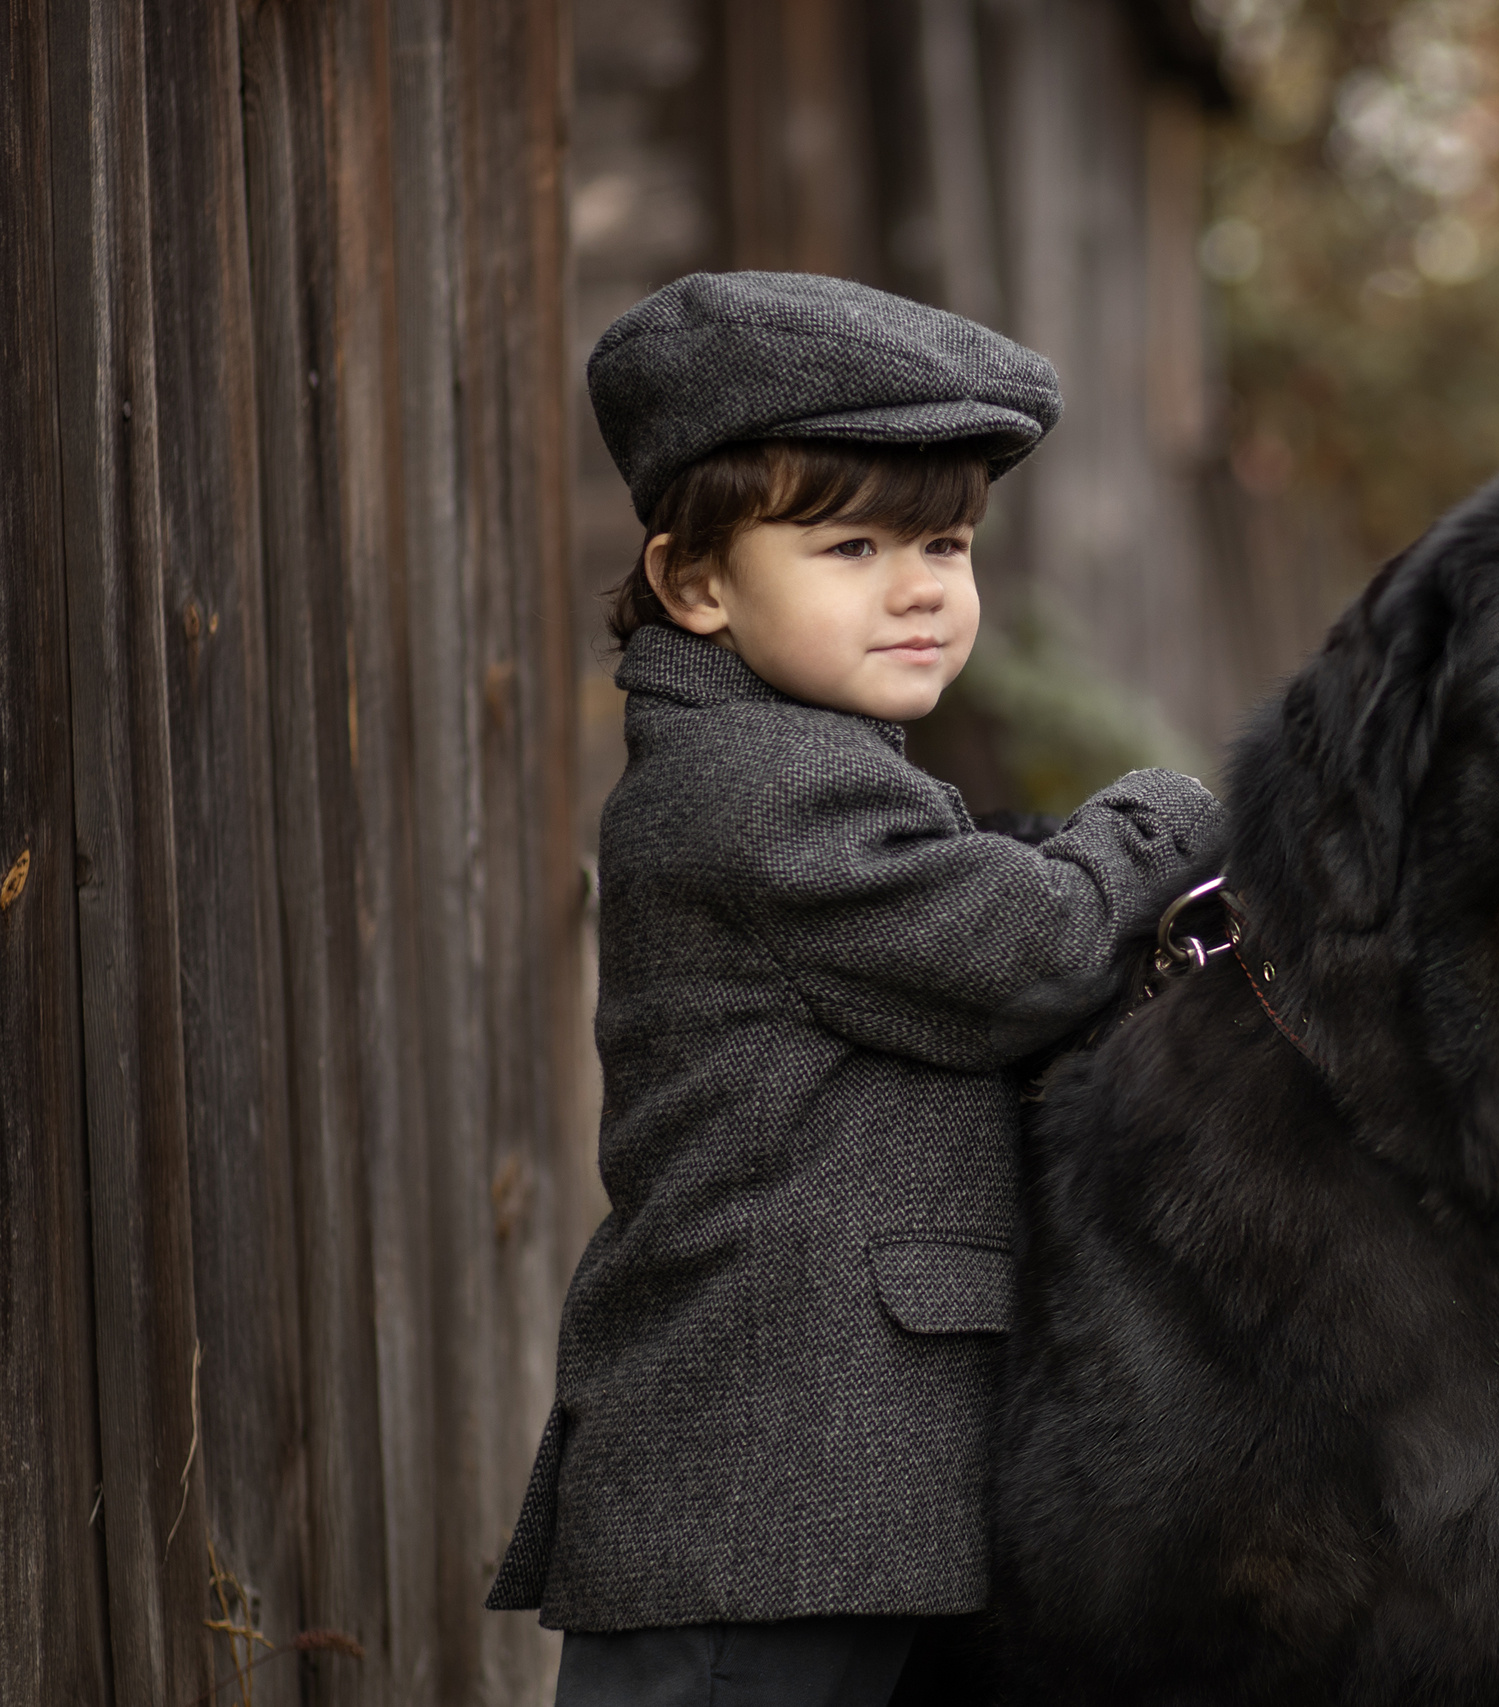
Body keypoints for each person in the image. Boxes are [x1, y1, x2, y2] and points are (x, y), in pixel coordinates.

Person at [486, 271, 1222, 1706]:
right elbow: (1036, 949)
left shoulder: (818, 772)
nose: (920, 590)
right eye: (850, 545)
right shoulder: (761, 796)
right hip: (760, 1492)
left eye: (944, 542)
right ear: (696, 582)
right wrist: (1159, 815)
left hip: (819, 1497)